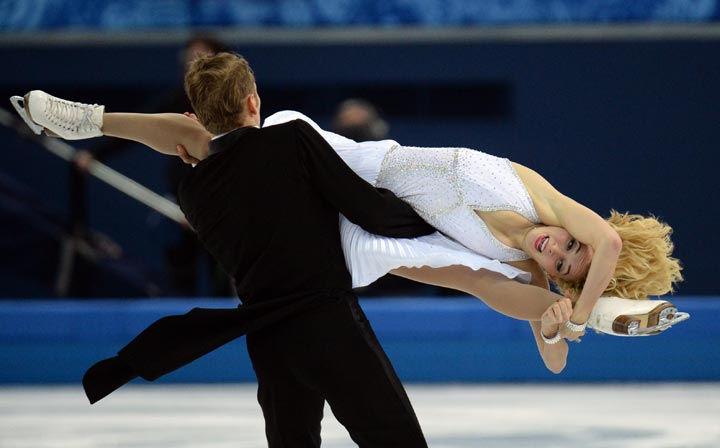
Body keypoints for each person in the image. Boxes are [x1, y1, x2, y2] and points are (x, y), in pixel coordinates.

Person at [15, 53, 682, 391]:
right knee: (217, 134)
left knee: (224, 147)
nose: (556, 248)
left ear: (556, 278)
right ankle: (83, 119)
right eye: (570, 248)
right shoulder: (544, 197)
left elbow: (554, 357)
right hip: (355, 160)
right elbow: (608, 238)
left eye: (562, 266)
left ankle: (87, 123)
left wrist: (563, 316)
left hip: (362, 222)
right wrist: (588, 298)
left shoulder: (510, 272)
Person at [18, 55, 437, 447]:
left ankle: (94, 119)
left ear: (196, 117)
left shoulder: (194, 191)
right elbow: (372, 212)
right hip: (329, 325)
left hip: (269, 339)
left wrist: (201, 157)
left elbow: (235, 170)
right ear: (253, 101)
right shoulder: (291, 139)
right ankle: (94, 119)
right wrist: (438, 222)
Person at [74, 35, 231, 297]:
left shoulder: (232, 107)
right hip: (179, 211)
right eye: (188, 58)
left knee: (223, 284)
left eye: (201, 58)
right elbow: (136, 127)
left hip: (221, 215)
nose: (193, 64)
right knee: (181, 285)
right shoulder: (176, 100)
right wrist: (95, 154)